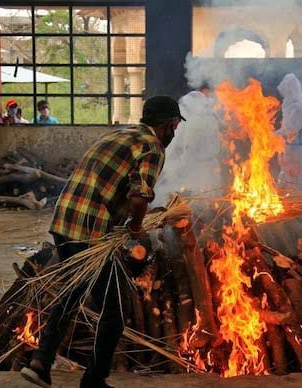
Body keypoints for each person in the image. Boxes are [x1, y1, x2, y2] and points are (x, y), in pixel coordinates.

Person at [20, 96, 184, 388]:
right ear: (169, 125)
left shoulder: (119, 134)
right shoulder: (152, 147)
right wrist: (135, 228)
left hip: (65, 220)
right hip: (90, 229)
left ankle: (40, 362)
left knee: (72, 293)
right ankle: (94, 380)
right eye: (175, 127)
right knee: (116, 307)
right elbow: (139, 195)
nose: (174, 133)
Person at [275, 73, 302, 193]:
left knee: (300, 187)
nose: (284, 95)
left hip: (298, 155)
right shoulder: (292, 108)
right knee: (284, 185)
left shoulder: (298, 109)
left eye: (286, 91)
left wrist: (271, 136)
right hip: (291, 152)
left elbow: (290, 130)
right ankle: (285, 210)